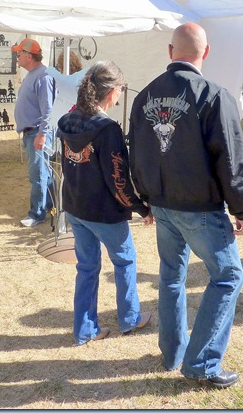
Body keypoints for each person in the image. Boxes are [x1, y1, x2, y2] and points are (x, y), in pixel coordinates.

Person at [128, 22, 243, 388]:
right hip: (198, 207)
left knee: (172, 277)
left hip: (163, 203)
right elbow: (231, 156)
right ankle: (200, 363)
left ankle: (173, 353)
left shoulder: (144, 95)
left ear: (171, 52)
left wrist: (145, 199)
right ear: (206, 52)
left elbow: (136, 151)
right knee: (228, 276)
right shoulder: (213, 94)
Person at [57, 61, 154, 345]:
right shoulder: (108, 128)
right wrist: (141, 208)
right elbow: (118, 181)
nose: (121, 95)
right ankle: (130, 318)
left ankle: (85, 330)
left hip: (75, 206)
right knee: (125, 261)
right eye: (121, 89)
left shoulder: (67, 119)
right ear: (111, 91)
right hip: (103, 211)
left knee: (87, 268)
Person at [12, 38, 56, 227]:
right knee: (45, 173)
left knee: (38, 174)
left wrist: (43, 134)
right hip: (33, 132)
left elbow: (48, 109)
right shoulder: (33, 74)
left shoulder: (43, 76)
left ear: (29, 56)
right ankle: (54, 205)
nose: (17, 57)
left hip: (37, 132)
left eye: (19, 53)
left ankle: (37, 214)